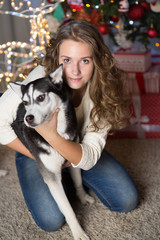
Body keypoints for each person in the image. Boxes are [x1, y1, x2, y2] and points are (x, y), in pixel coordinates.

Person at [0, 20, 139, 232]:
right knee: (51, 220)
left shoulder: (102, 91)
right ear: (56, 59)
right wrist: (36, 155)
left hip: (76, 144)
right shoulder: (40, 79)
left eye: (85, 61)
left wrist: (53, 136)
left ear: (97, 61)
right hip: (33, 146)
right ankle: (58, 176)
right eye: (66, 60)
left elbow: (89, 156)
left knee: (127, 200)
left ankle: (69, 178)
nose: (74, 71)